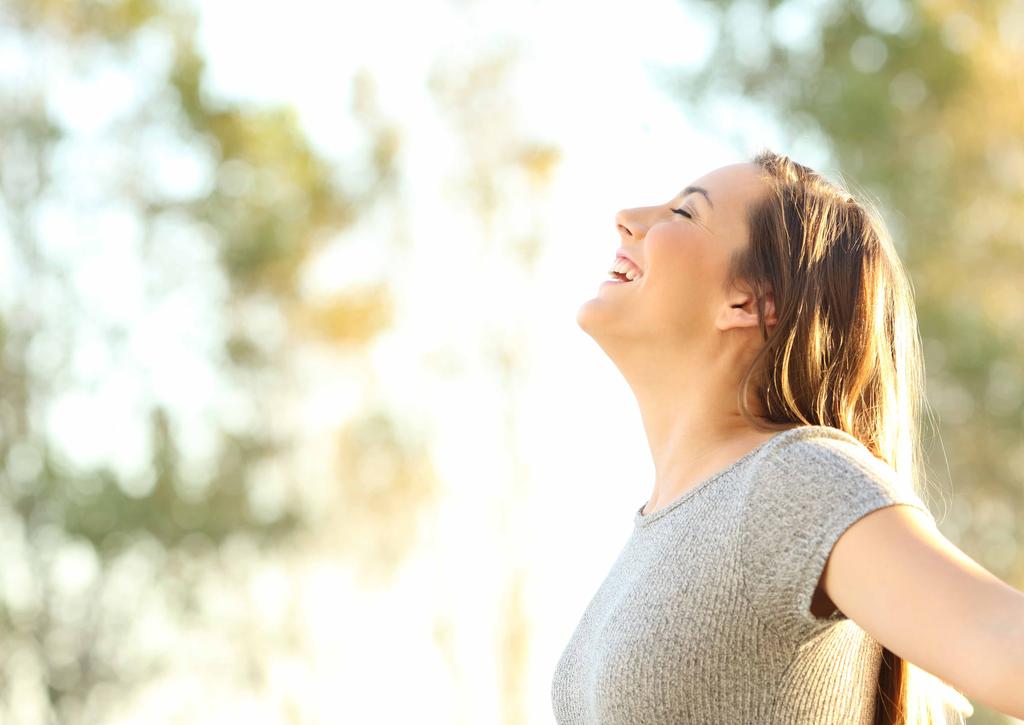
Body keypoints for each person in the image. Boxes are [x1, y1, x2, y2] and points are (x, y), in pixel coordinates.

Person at [551, 149, 1024, 723]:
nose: (629, 216)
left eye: (684, 214)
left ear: (749, 302)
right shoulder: (661, 526)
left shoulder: (793, 482)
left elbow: (1000, 638)